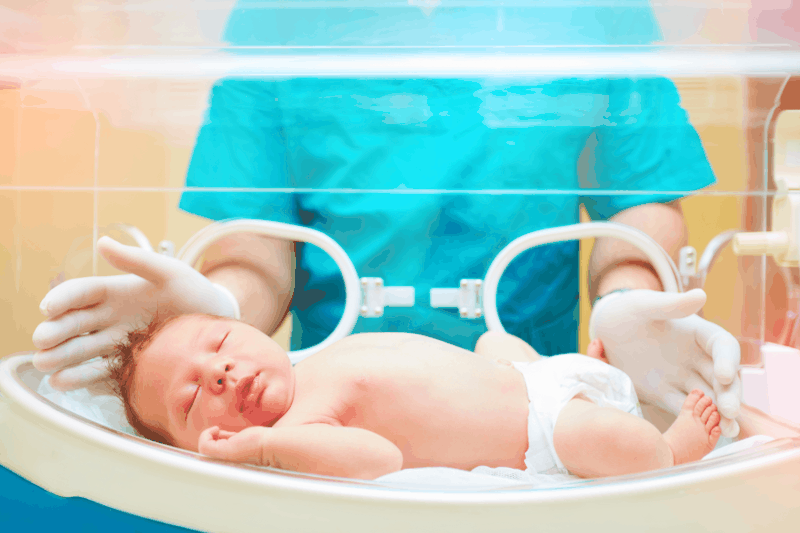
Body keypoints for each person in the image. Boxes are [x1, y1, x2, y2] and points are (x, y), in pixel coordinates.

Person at [31, 2, 743, 437]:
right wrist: (208, 321)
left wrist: (630, 304)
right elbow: (257, 241)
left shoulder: (595, 11)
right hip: (316, 409)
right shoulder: (278, 18)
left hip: (534, 402)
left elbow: (637, 200)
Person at [106, 311, 722, 480]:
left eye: (220, 341)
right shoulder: (296, 432)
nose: (218, 373)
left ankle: (579, 371)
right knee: (602, 440)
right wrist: (263, 449)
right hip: (542, 430)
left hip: (529, 376)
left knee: (494, 341)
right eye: (190, 399)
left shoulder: (308, 363)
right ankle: (670, 452)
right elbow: (379, 459)